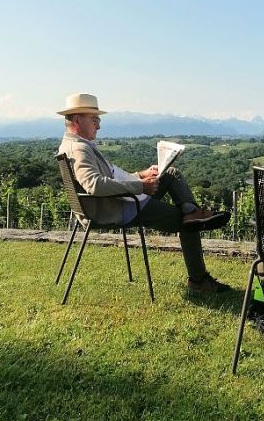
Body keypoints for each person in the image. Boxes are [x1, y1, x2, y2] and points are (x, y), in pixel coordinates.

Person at [56, 93, 232, 293]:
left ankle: (191, 210)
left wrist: (141, 175)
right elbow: (94, 185)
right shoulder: (80, 149)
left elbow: (111, 176)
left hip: (115, 203)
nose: (99, 125)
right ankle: (198, 279)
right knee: (189, 224)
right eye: (94, 120)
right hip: (116, 209)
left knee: (171, 174)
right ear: (78, 120)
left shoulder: (74, 145)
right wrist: (141, 186)